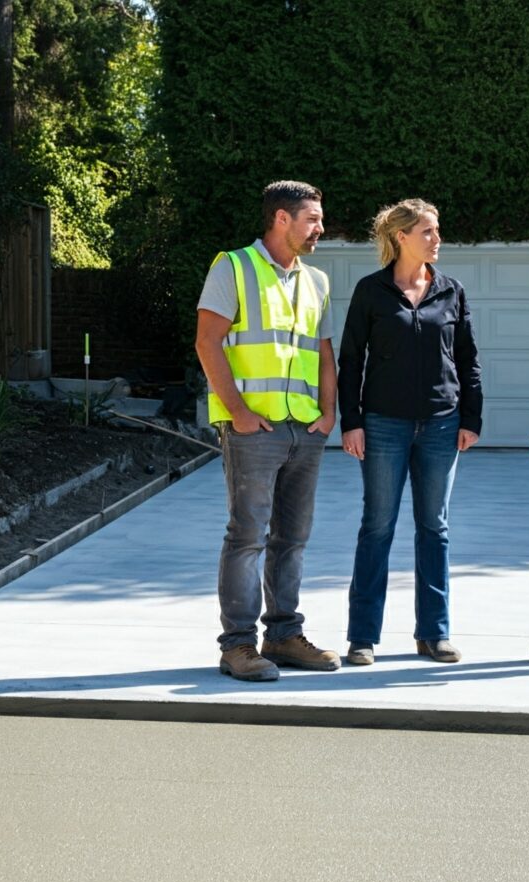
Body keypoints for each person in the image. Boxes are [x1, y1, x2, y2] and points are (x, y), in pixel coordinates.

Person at [195, 180, 339, 681]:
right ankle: (237, 646)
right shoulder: (232, 267)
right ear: (281, 218)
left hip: (305, 429)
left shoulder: (316, 280)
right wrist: (236, 412)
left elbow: (321, 352)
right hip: (253, 429)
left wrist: (328, 413)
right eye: (312, 220)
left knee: (293, 538)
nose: (320, 228)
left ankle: (284, 636)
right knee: (248, 535)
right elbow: (207, 342)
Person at [337, 199, 482, 666]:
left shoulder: (451, 291)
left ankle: (434, 634)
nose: (437, 239)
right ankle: (362, 637)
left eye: (437, 230)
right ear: (401, 236)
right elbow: (350, 360)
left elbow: (467, 360)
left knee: (434, 529)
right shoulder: (371, 291)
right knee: (377, 528)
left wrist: (471, 418)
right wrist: (352, 421)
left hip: (442, 425)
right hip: (383, 425)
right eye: (428, 231)